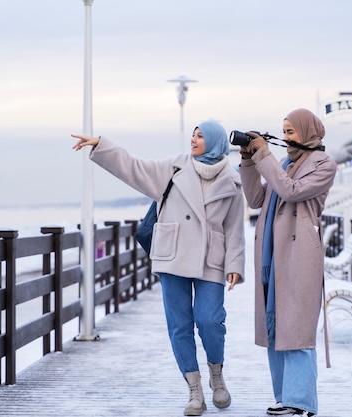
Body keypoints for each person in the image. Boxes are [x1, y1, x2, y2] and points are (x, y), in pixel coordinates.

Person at [71, 120, 245, 416]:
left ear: (215, 142)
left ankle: (217, 375)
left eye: (201, 136)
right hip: (172, 255)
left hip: (210, 258)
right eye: (193, 134)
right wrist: (102, 145)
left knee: (210, 320)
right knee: (179, 325)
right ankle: (194, 389)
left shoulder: (232, 180)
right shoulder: (174, 168)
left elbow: (235, 227)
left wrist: (235, 265)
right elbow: (133, 167)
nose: (194, 139)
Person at [238, 108, 336, 417]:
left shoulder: (324, 165)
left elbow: (291, 192)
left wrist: (264, 155)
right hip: (274, 257)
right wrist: (248, 160)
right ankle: (284, 398)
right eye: (284, 131)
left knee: (297, 329)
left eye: (291, 131)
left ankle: (301, 403)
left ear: (308, 132)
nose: (285, 138)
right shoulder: (282, 164)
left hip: (299, 256)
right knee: (276, 328)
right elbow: (256, 200)